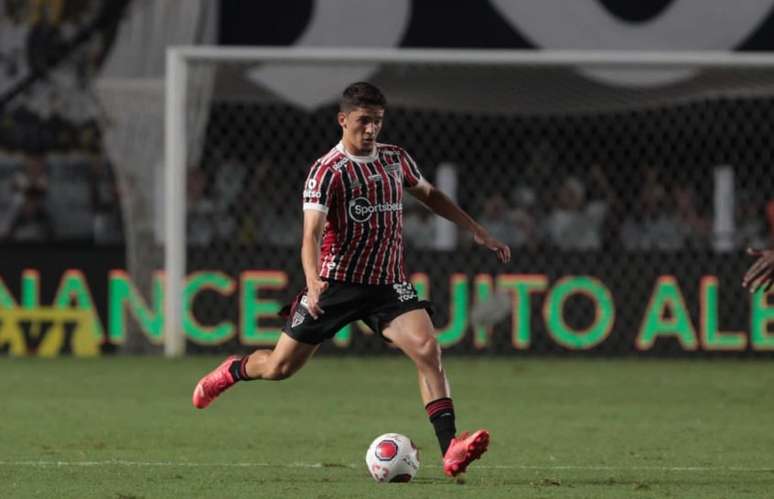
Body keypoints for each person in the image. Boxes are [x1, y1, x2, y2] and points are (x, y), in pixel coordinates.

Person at [191, 82, 511, 477]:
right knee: (279, 368)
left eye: (378, 121)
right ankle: (233, 369)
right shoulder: (328, 172)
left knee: (428, 349)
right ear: (343, 120)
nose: (372, 129)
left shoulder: (396, 159)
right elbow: (310, 235)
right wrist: (312, 283)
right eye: (363, 121)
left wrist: (475, 229)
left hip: (387, 284)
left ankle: (451, 449)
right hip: (335, 284)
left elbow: (430, 195)